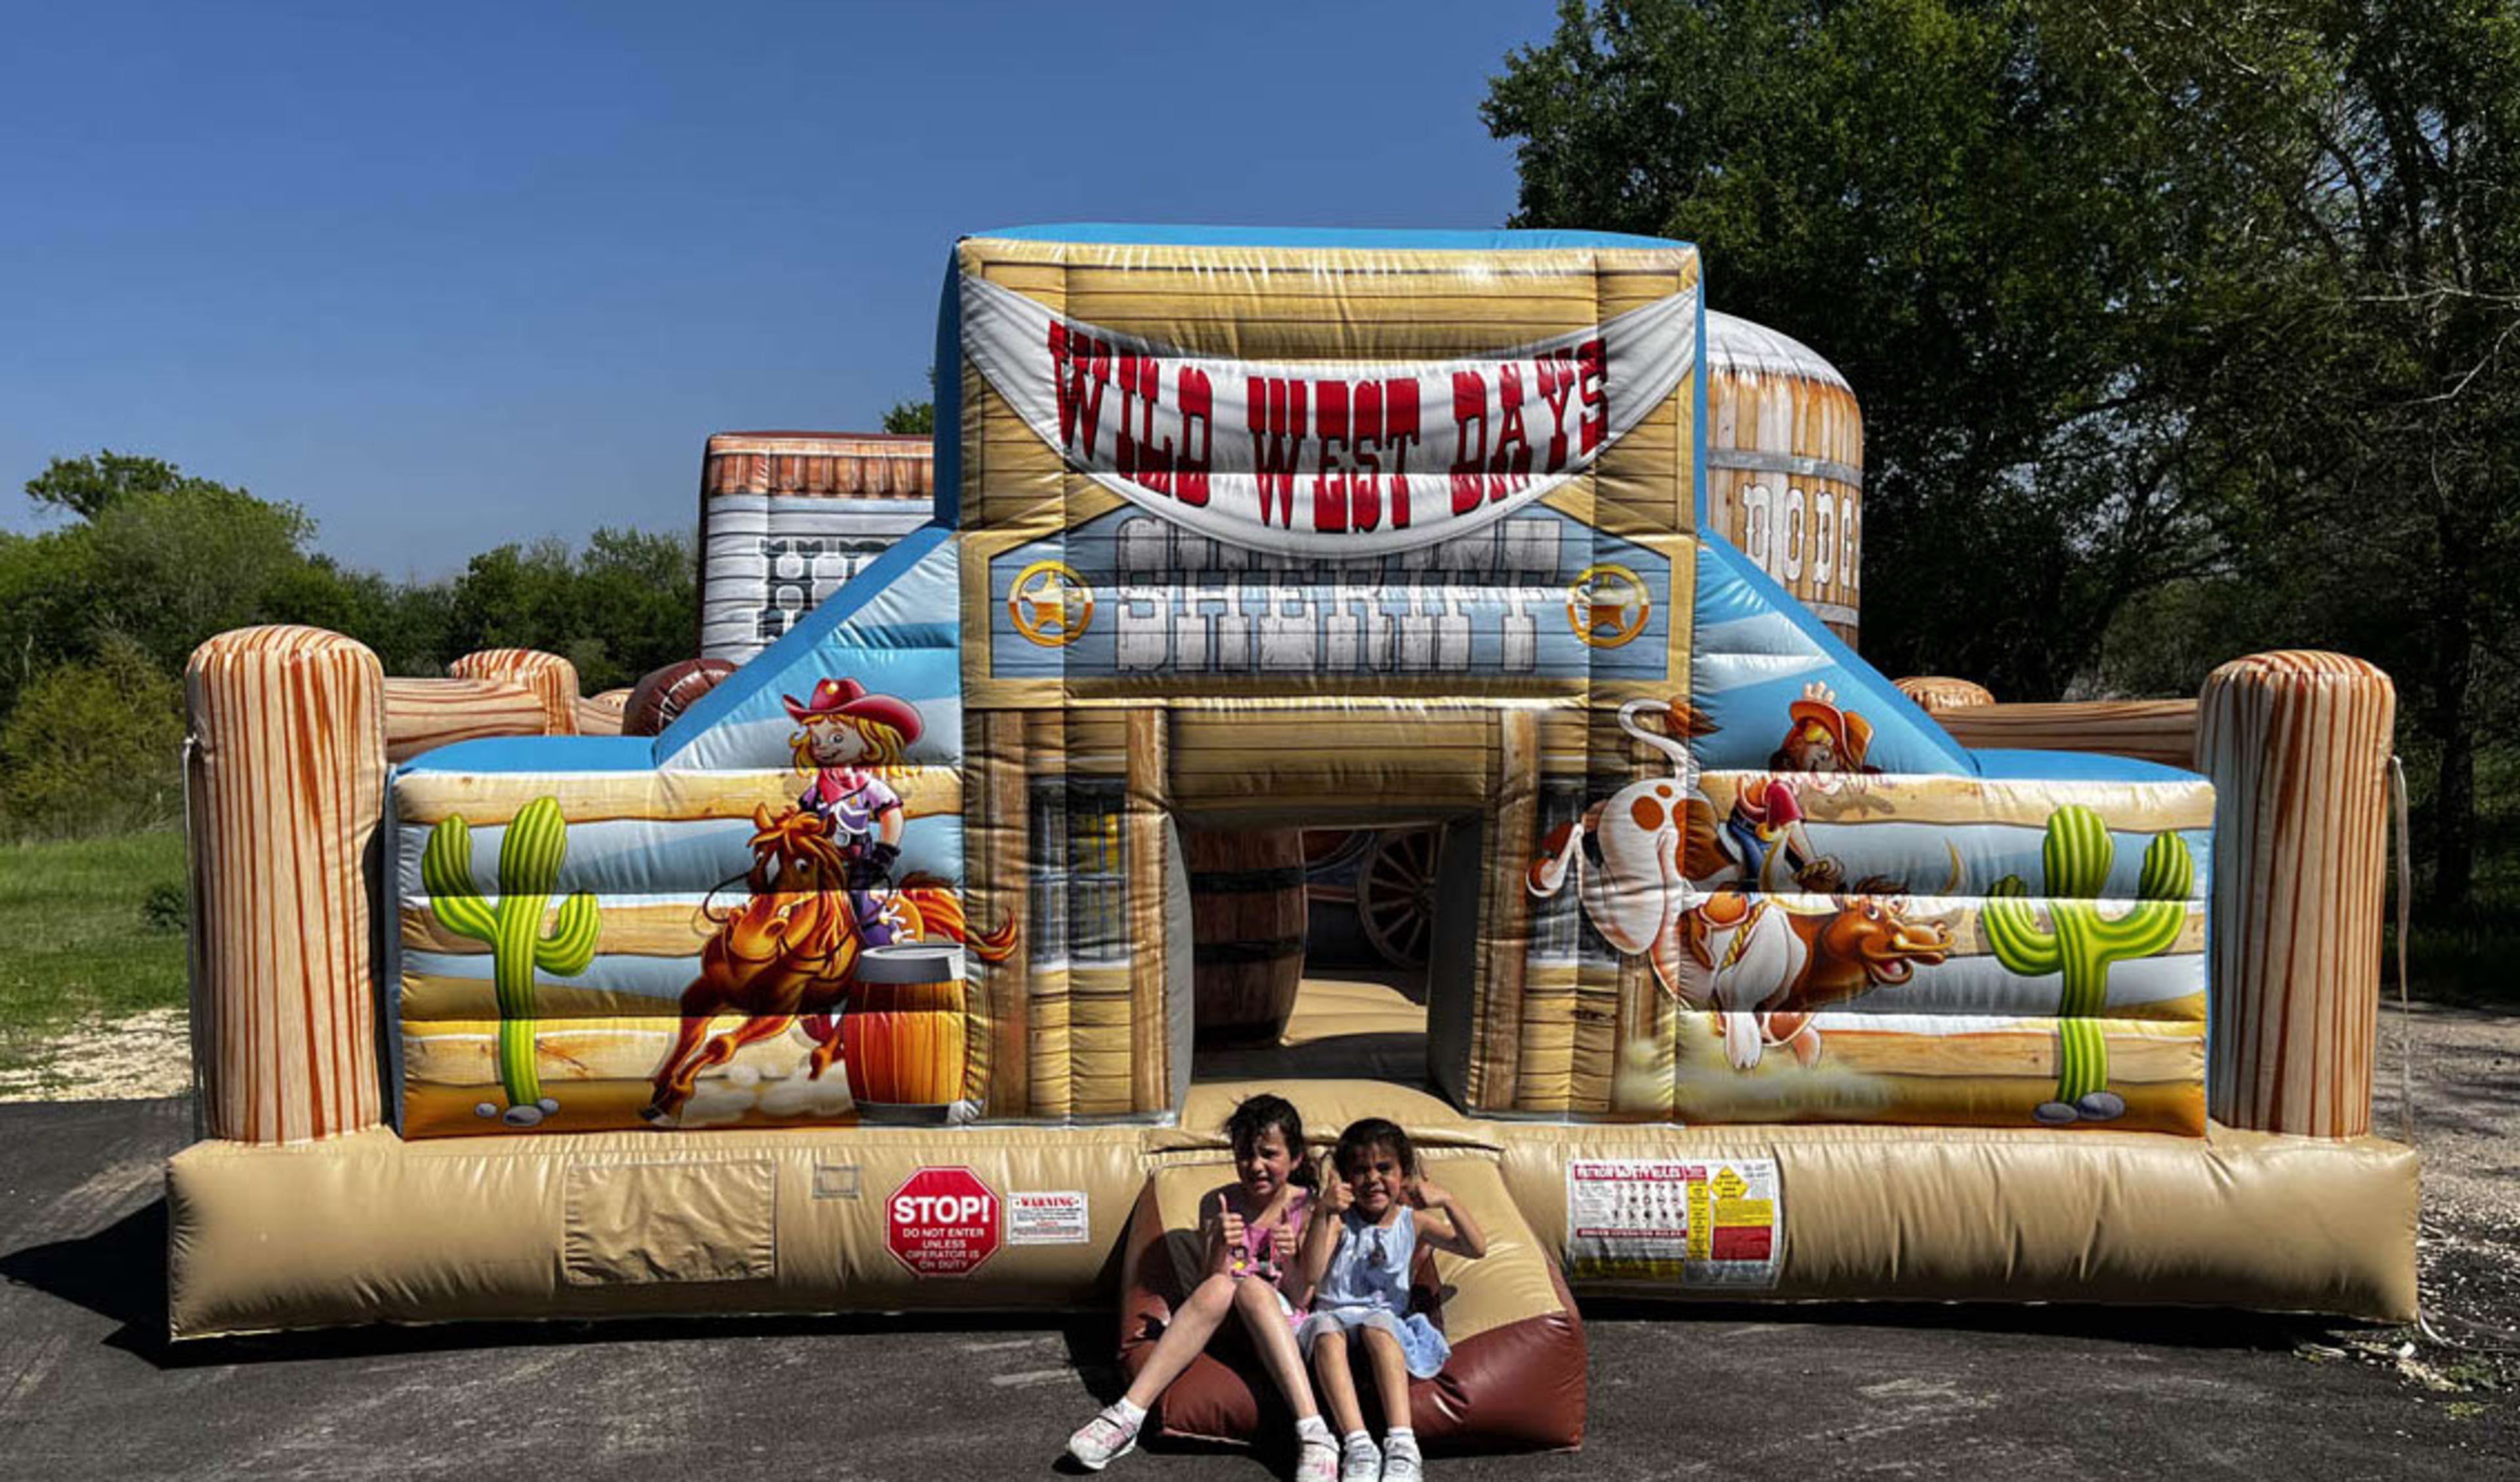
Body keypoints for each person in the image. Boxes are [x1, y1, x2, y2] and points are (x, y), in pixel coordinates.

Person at [1066, 1094, 1340, 1480]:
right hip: (1228, 1329)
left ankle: (1314, 1433)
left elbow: (1301, 1297)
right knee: (1223, 1287)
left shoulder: (1309, 1208)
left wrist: (1291, 1255)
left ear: (1295, 1159)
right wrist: (1219, 1246)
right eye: (1245, 1155)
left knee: (1252, 1290)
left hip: (1283, 1330)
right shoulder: (1218, 1203)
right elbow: (1209, 1284)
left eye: (1268, 1154)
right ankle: (1127, 1414)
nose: (1256, 1166)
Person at [1294, 1118, 1487, 1482]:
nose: (1372, 1179)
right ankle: (1358, 1444)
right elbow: (1312, 1274)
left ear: (1405, 1173)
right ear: (1345, 1177)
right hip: (1334, 1315)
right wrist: (1323, 1212)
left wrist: (1447, 1199)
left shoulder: (1412, 1222)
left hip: (1383, 1320)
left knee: (1379, 1327)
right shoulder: (1338, 1221)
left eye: (1384, 1168)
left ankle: (1402, 1443)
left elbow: (1475, 1249)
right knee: (1323, 1331)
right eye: (1361, 1170)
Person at [782, 677, 917, 941]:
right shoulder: (819, 786)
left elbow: (892, 814)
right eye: (817, 739)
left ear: (869, 738)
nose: (823, 747)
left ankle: (882, 941)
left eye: (836, 737)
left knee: (858, 896)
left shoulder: (867, 785)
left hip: (858, 858)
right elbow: (804, 814)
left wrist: (884, 853)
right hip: (821, 859)